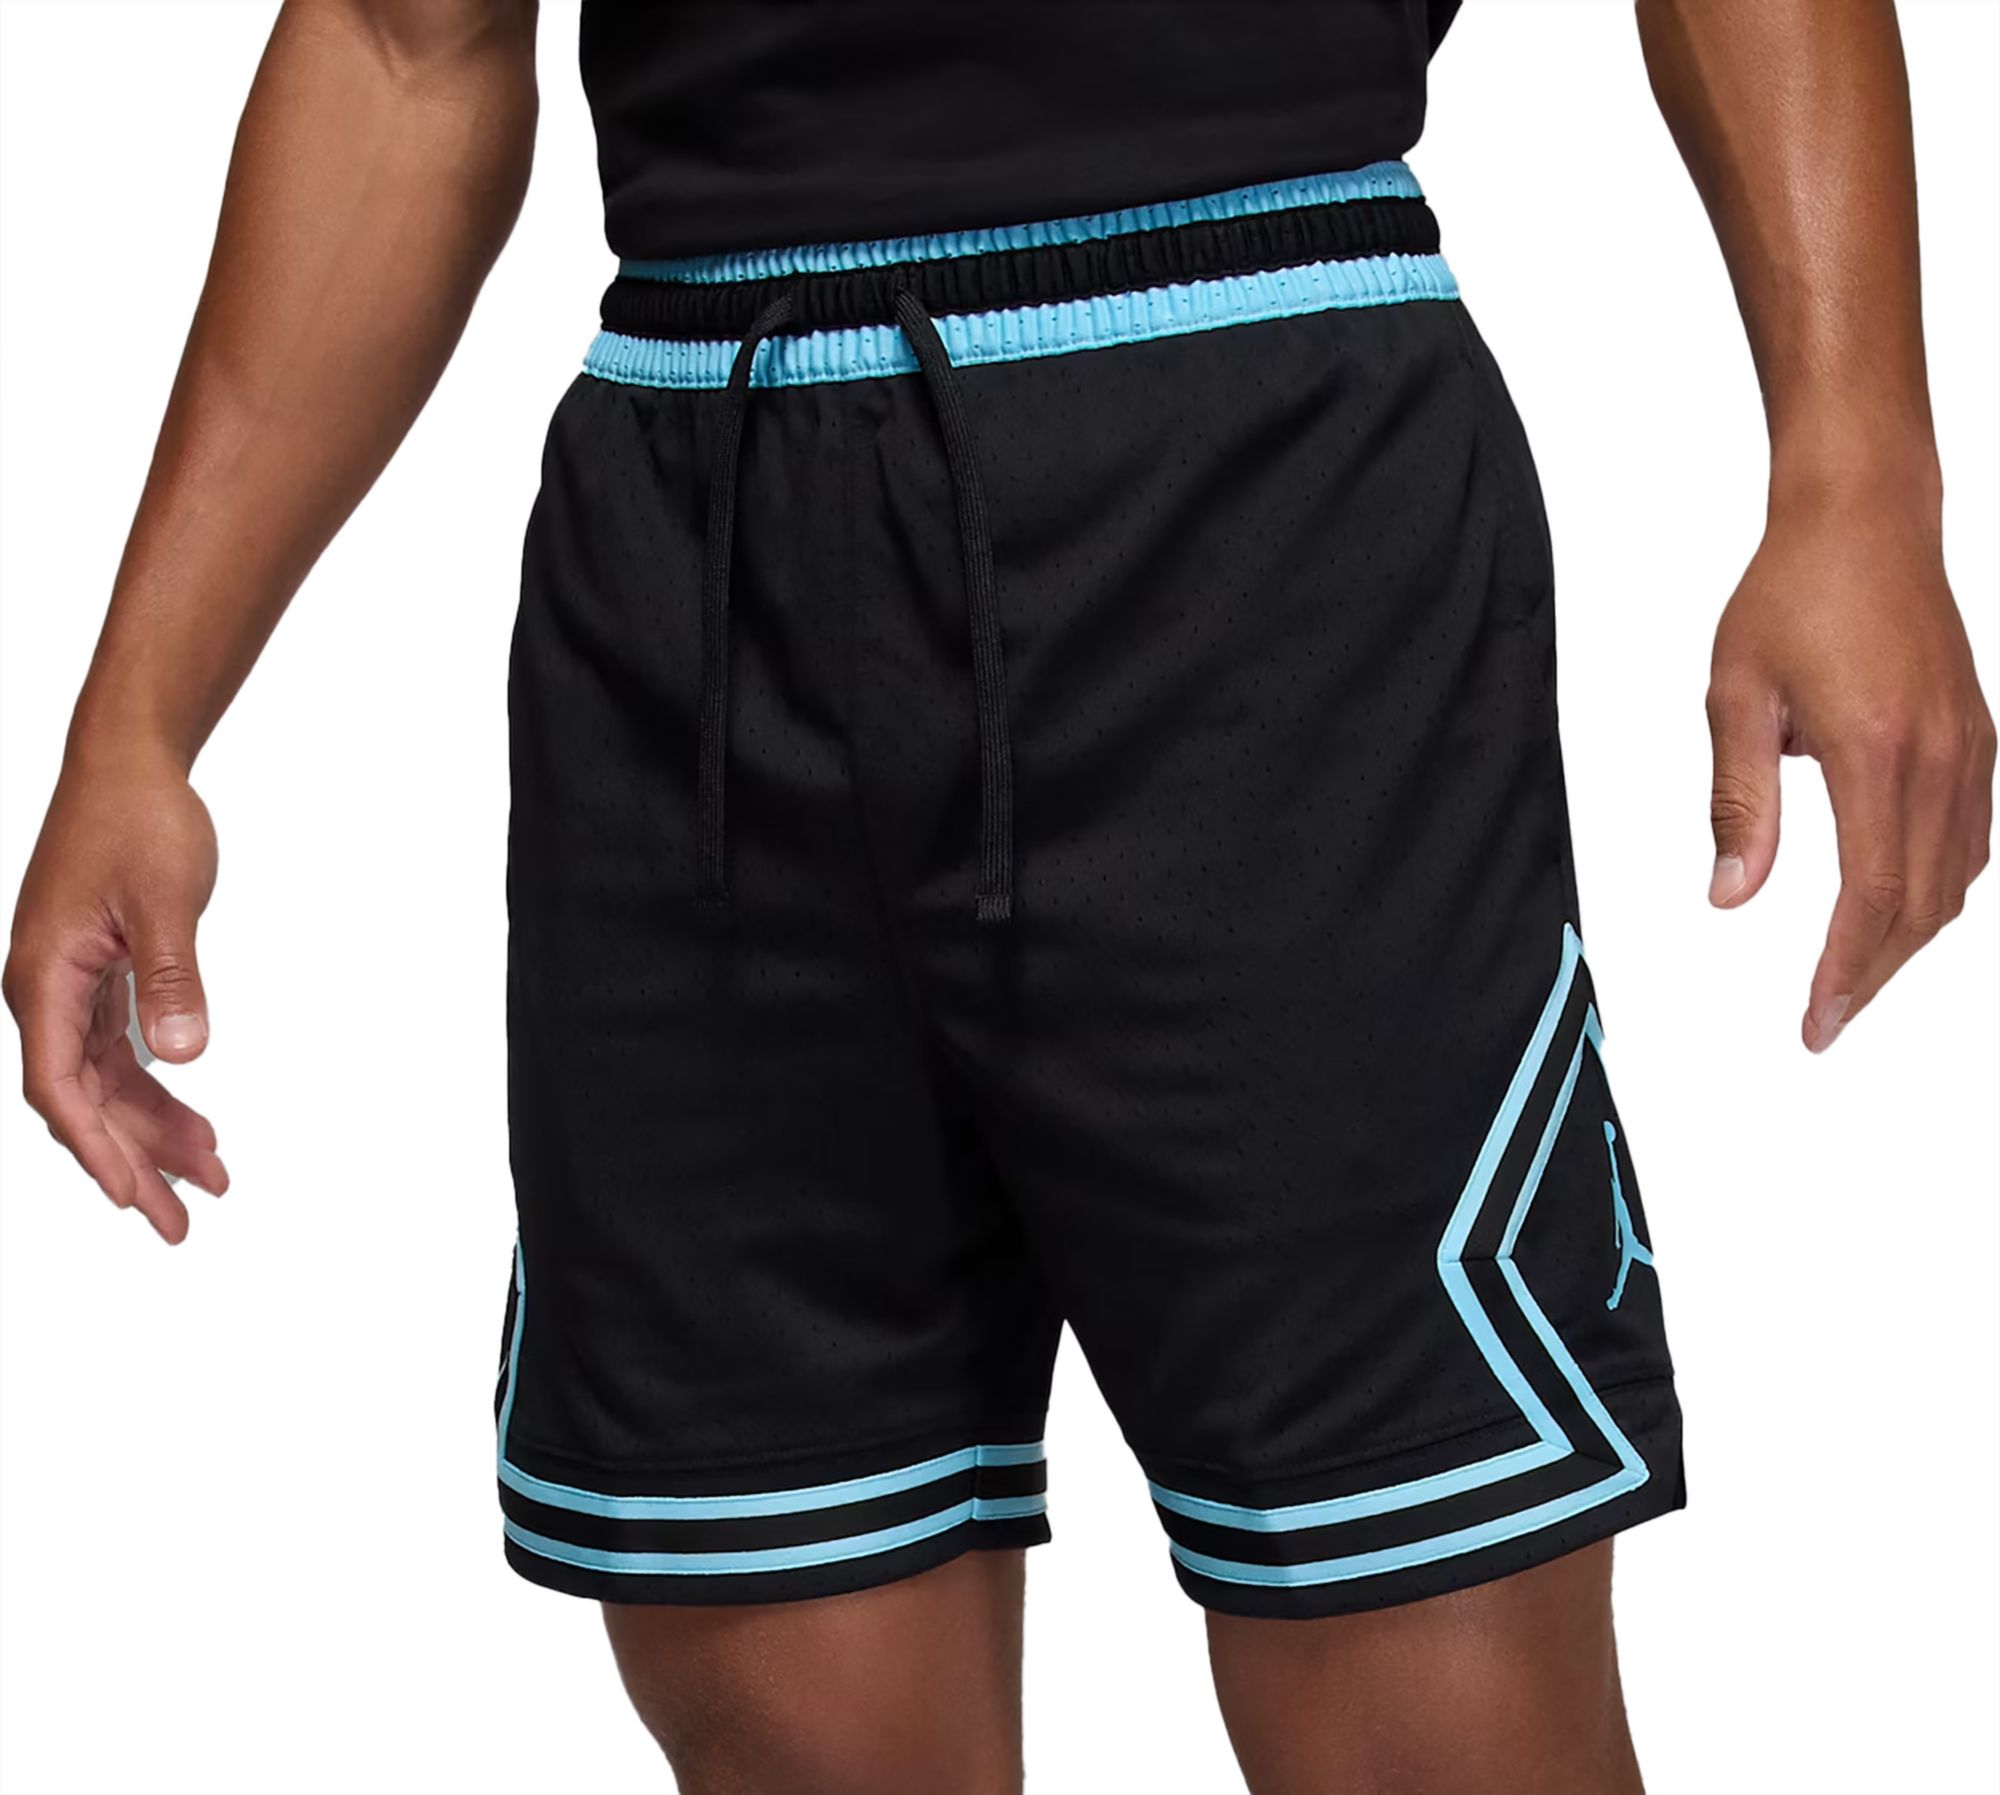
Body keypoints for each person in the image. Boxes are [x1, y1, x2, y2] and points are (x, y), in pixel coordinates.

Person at [5, 2, 1991, 1790]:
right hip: (698, 562)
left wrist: (1857, 467)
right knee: (782, 1693)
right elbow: (401, 43)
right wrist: (141, 716)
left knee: (1430, 1696)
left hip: (1257, 507)